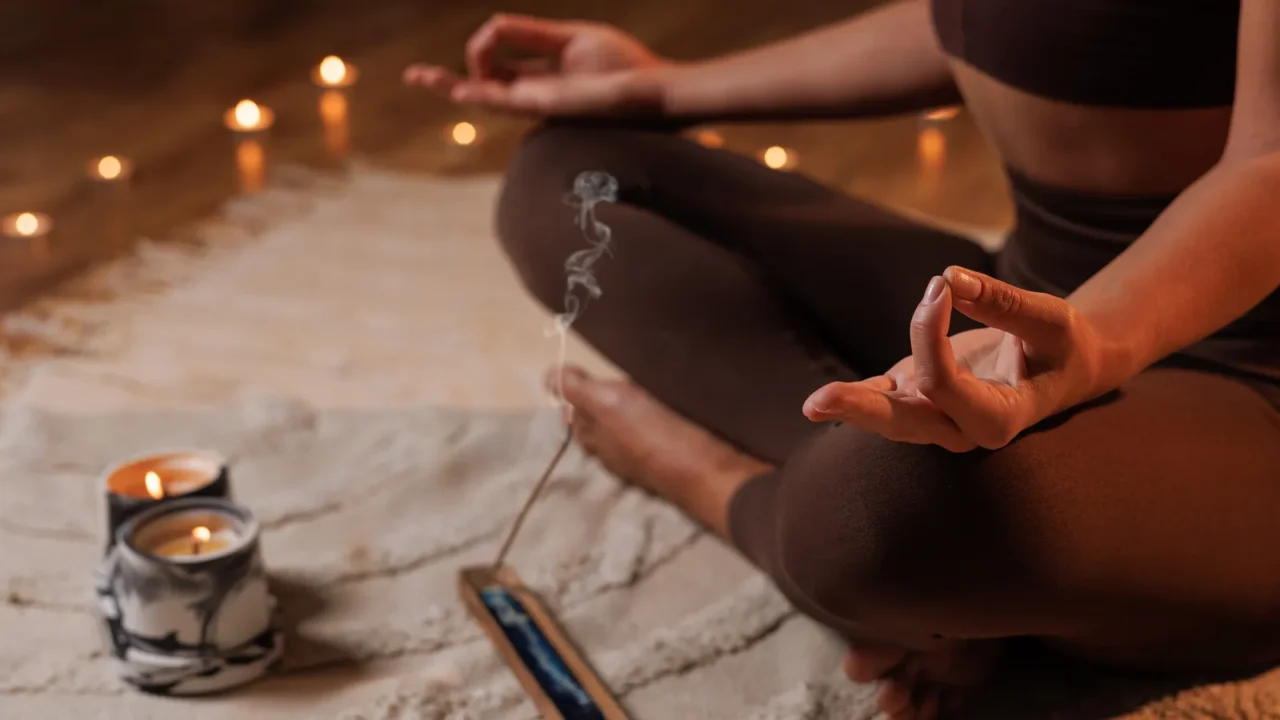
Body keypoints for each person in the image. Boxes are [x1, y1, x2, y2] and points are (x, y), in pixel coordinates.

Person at [406, 1, 1280, 716]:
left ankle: (720, 480)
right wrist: (662, 87)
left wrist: (1084, 344)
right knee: (573, 173)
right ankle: (979, 580)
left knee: (871, 510)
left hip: (1246, 383)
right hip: (1032, 291)